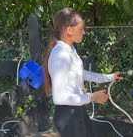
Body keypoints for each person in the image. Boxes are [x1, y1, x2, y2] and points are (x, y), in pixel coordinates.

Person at [43, 8, 123, 137]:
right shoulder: (60, 55)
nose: (84, 32)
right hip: (68, 117)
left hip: (76, 111)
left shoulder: (70, 50)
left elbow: (81, 73)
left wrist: (110, 77)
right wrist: (92, 97)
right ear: (69, 30)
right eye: (81, 29)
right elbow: (59, 98)